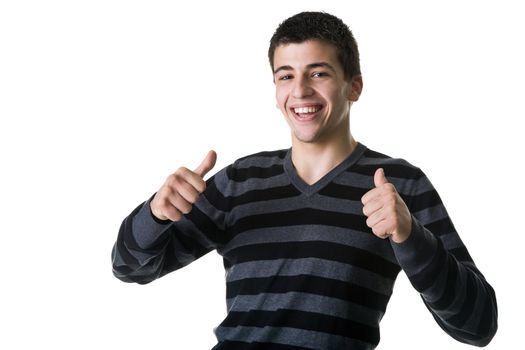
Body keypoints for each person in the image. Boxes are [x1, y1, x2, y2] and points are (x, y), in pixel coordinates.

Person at [111, 11, 497, 349]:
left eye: (318, 73)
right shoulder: (240, 182)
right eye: (286, 76)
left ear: (354, 86)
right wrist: (155, 215)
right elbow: (129, 269)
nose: (300, 91)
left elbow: (478, 327)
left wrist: (411, 237)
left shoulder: (399, 186)